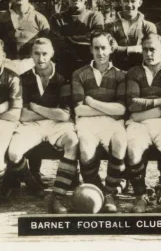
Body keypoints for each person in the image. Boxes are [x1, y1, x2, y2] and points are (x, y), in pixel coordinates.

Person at [7, 38, 79, 212]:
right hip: (32, 125)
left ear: (52, 54)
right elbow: (21, 115)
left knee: (72, 142)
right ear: (31, 55)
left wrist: (35, 106)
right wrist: (48, 111)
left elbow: (64, 114)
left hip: (57, 124)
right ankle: (34, 186)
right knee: (14, 153)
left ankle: (58, 196)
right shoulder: (23, 78)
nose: (41, 58)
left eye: (45, 53)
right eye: (36, 54)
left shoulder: (63, 77)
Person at [126, 33, 161, 213]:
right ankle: (140, 195)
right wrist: (160, 101)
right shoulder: (134, 72)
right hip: (140, 125)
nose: (149, 54)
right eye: (145, 49)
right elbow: (132, 104)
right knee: (133, 150)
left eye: (153, 50)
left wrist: (142, 115)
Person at [72, 31, 127, 213]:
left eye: (104, 48)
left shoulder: (121, 75)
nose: (100, 52)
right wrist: (107, 107)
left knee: (119, 141)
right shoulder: (79, 74)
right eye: (96, 48)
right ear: (91, 49)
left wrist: (91, 101)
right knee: (86, 149)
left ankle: (111, 193)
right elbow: (79, 109)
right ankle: (94, 189)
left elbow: (121, 109)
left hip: (112, 121)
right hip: (87, 121)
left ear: (111, 49)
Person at [50, 0, 104, 81]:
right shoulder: (57, 18)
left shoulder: (95, 16)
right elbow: (57, 44)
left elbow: (95, 40)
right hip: (64, 72)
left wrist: (67, 39)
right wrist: (83, 42)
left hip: (90, 72)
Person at [0, 0, 50, 75]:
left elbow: (47, 50)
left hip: (32, 72)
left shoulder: (40, 19)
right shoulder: (1, 17)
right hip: (5, 73)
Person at [105, 0, 157, 71]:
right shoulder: (110, 26)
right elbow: (111, 49)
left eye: (133, 1)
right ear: (120, 2)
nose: (129, 5)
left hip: (142, 73)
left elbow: (151, 51)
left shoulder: (149, 27)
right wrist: (138, 48)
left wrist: (121, 49)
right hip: (116, 73)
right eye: (126, 1)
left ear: (139, 3)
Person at [0, 40, 22, 200]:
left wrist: (6, 107)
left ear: (3, 56)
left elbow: (15, 111)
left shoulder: (11, 77)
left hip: (7, 121)